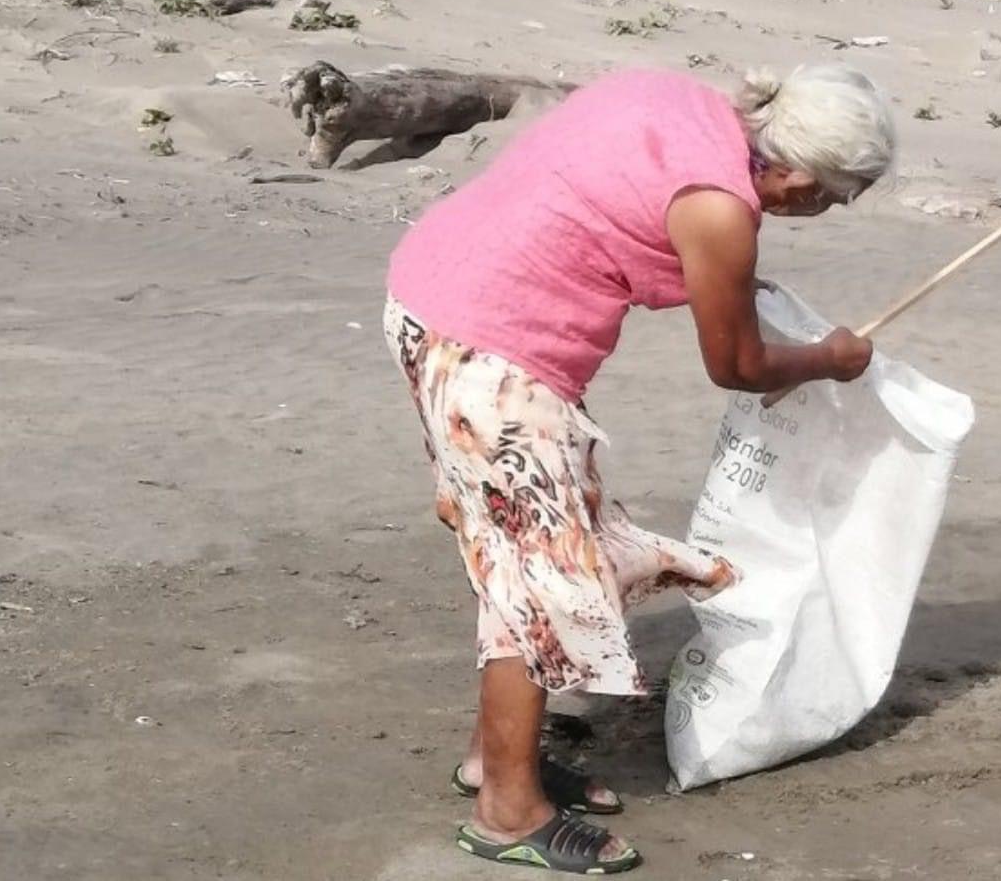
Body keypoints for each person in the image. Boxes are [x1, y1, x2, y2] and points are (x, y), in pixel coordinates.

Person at [383, 63, 896, 873]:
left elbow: (612, 209)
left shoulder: (683, 100)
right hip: (492, 356)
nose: (830, 209)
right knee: (543, 577)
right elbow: (736, 364)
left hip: (430, 296)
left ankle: (496, 758)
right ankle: (508, 812)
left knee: (528, 548)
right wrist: (829, 359)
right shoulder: (721, 208)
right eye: (834, 193)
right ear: (793, 172)